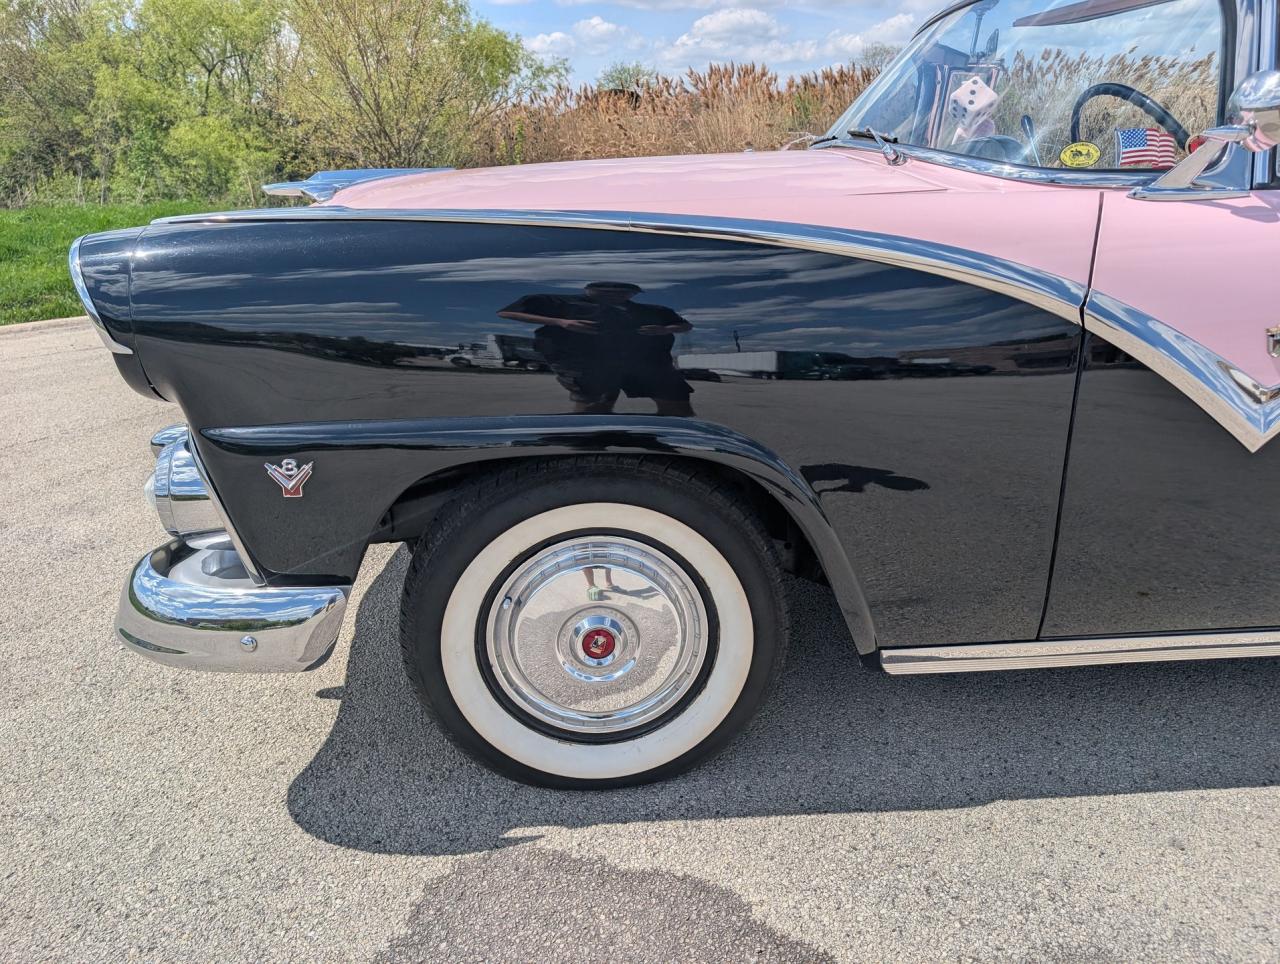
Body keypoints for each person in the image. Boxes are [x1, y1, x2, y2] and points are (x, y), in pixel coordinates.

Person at [498, 281, 695, 416]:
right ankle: (587, 447)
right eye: (606, 292)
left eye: (623, 292)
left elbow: (685, 325)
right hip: (587, 363)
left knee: (676, 401)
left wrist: (665, 329)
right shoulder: (560, 302)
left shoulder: (654, 310)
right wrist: (561, 322)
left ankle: (671, 441)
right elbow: (507, 313)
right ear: (588, 290)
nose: (615, 295)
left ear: (634, 294)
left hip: (648, 364)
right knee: (596, 405)